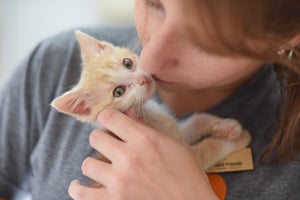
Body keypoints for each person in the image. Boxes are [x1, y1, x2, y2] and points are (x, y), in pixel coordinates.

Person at [1, 0, 299, 199]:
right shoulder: (55, 64)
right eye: (154, 2)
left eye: (202, 38)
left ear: (289, 35)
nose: (149, 62)